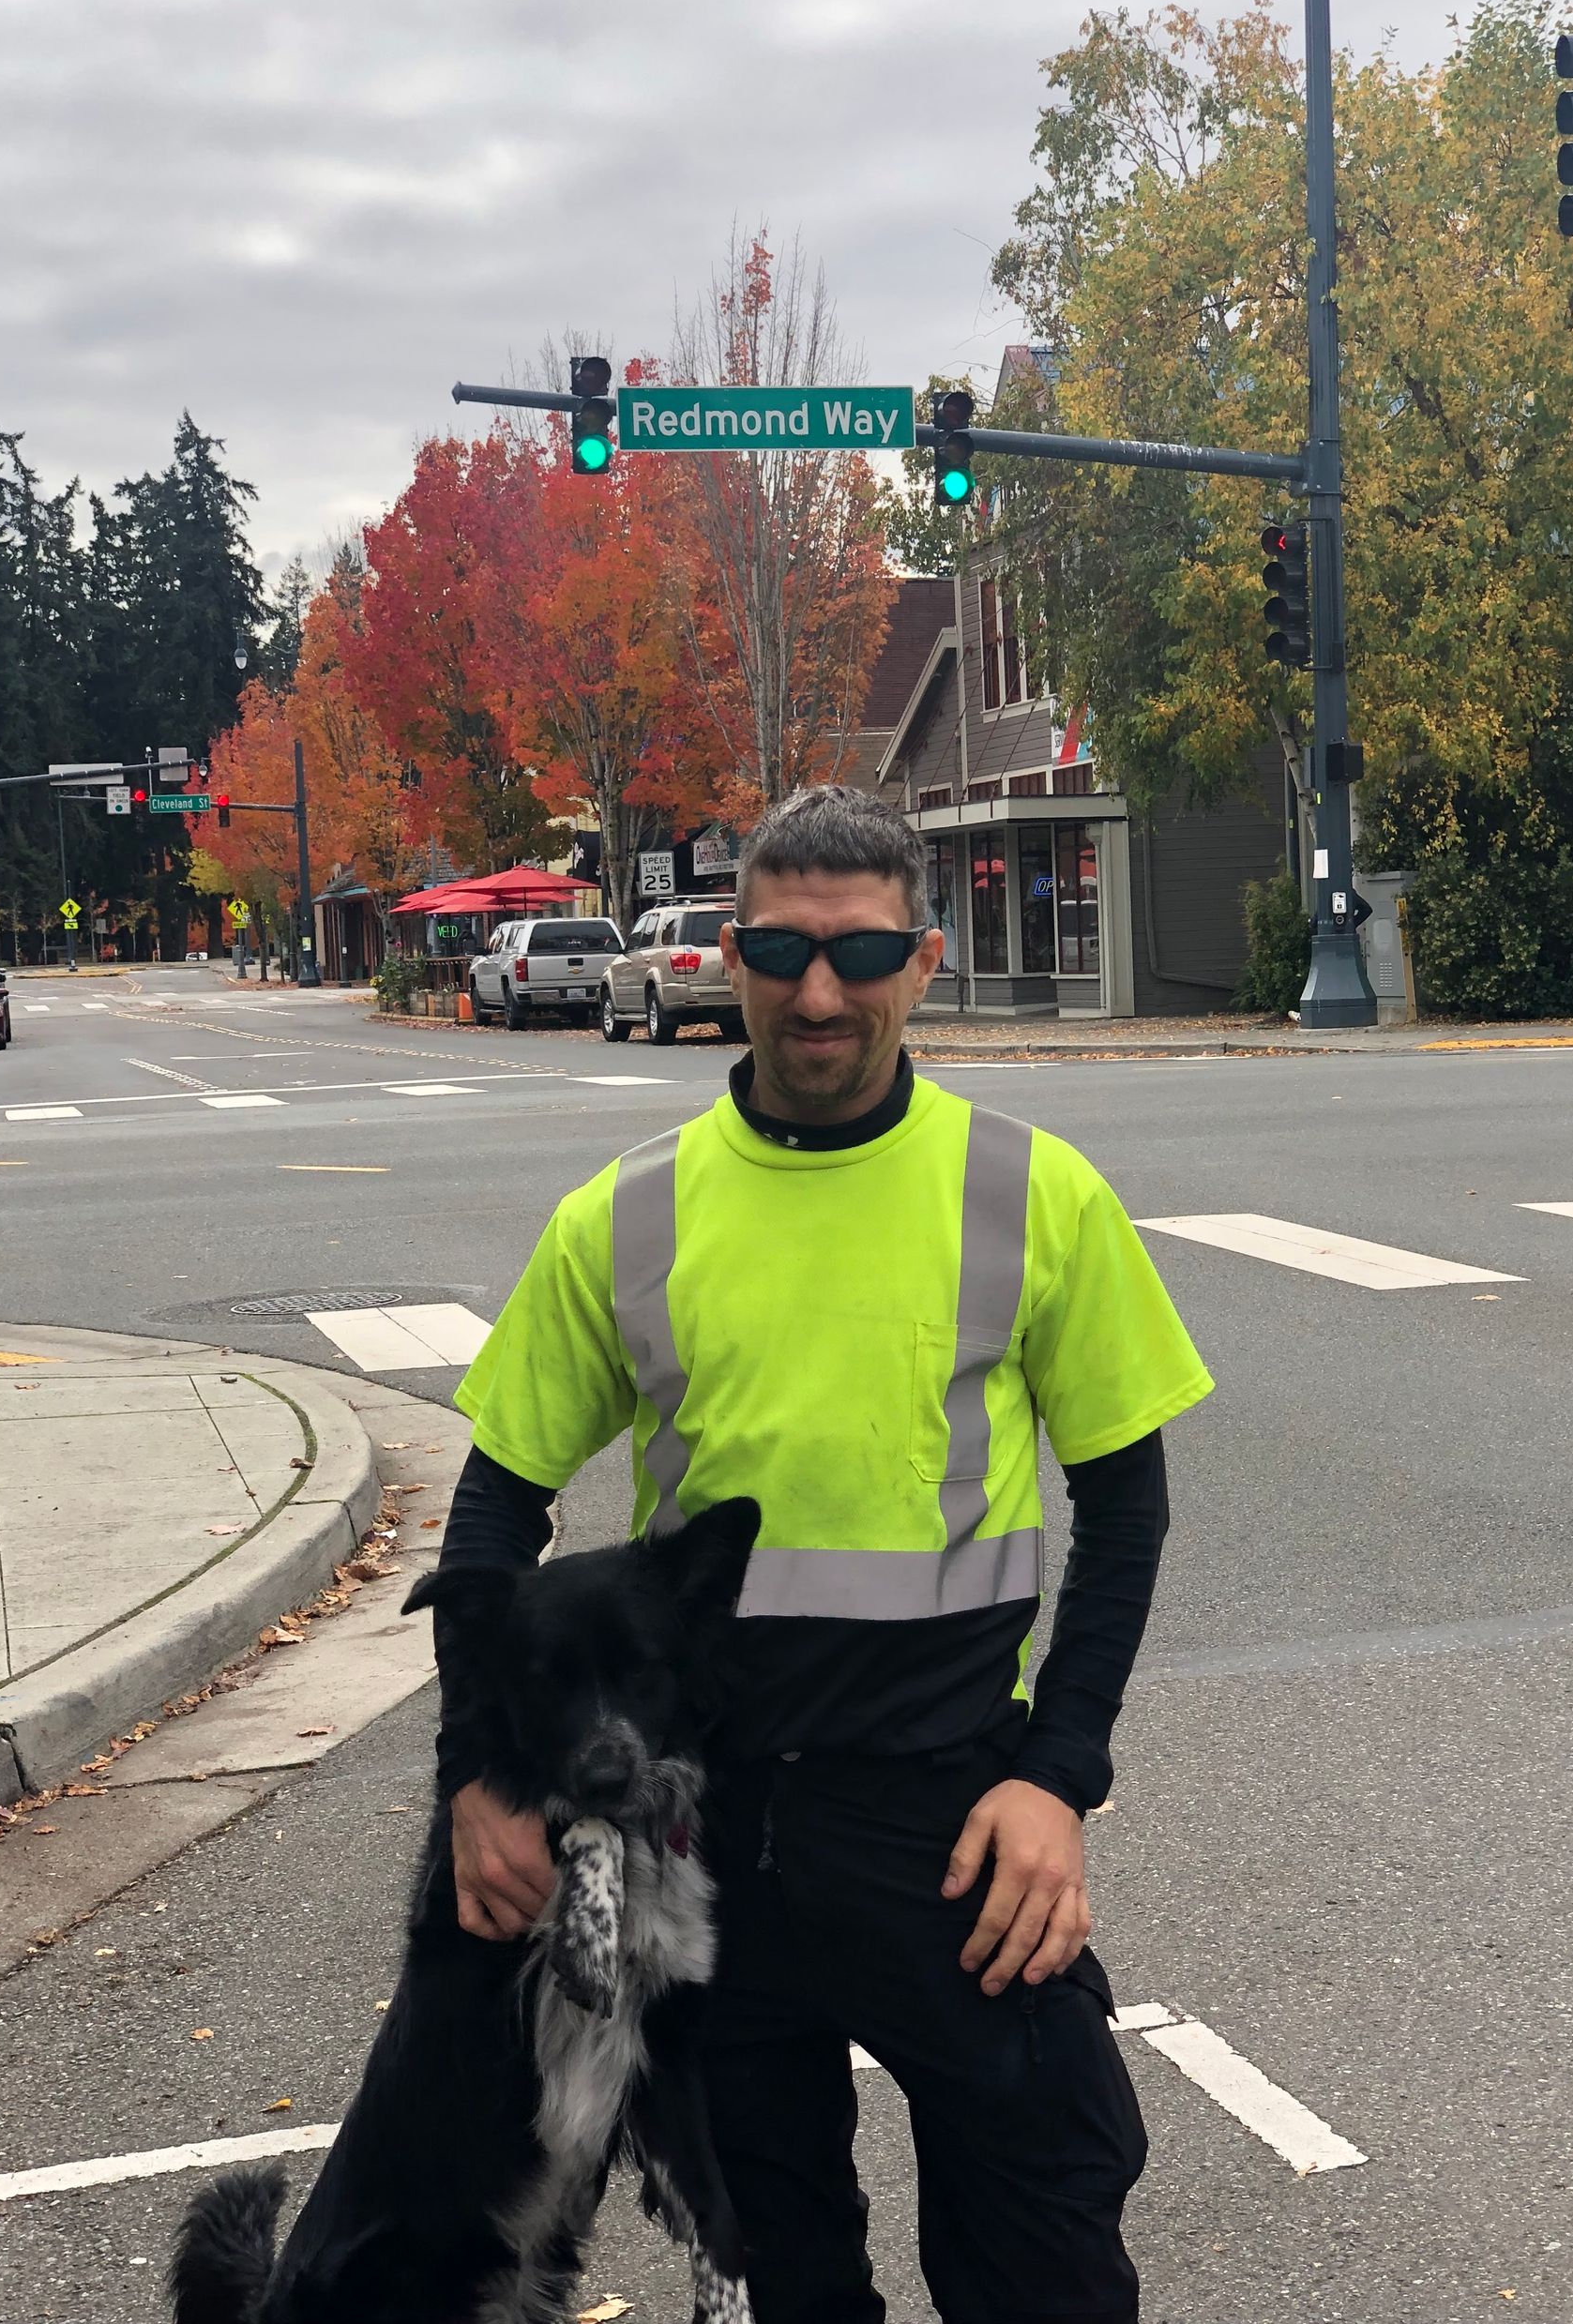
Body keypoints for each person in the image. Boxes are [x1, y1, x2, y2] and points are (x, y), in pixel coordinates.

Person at [432, 785, 1213, 2324]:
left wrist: (1058, 1780)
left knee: (1047, 2264)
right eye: (783, 950)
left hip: (955, 1829)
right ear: (730, 956)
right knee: (779, 2278)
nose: (819, 995)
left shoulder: (1031, 1193)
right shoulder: (628, 1218)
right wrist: (483, 1776)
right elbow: (492, 1514)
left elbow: (1127, 1509)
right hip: (703, 1845)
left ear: (922, 960)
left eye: (859, 954)